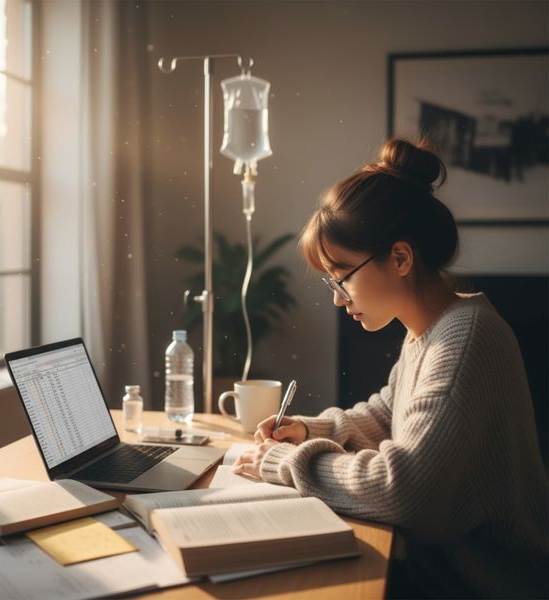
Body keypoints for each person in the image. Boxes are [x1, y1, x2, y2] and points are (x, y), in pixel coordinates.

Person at [233, 138, 548, 599]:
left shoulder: (465, 341)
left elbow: (407, 492)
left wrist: (287, 461)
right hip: (439, 570)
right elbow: (387, 415)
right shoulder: (435, 327)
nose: (338, 298)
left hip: (484, 585)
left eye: (342, 277)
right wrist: (309, 428)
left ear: (400, 258)